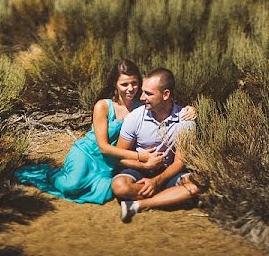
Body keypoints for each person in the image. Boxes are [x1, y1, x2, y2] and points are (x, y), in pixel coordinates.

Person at [14, 59, 194, 204]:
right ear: (115, 85)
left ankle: (151, 199)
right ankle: (50, 174)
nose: (131, 89)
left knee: (107, 193)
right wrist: (142, 158)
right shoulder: (103, 106)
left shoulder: (143, 104)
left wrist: (192, 109)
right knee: (71, 186)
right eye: (124, 84)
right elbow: (103, 147)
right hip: (89, 154)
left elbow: (165, 103)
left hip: (114, 163)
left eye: (134, 83)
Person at [111, 67, 202, 222]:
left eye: (149, 93)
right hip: (140, 170)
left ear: (166, 94)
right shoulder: (135, 117)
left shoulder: (185, 120)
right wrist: (145, 166)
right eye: (143, 91)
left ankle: (138, 204)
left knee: (195, 185)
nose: (142, 97)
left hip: (170, 173)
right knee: (120, 186)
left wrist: (156, 181)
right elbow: (120, 156)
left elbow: (180, 161)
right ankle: (171, 196)